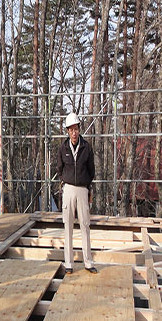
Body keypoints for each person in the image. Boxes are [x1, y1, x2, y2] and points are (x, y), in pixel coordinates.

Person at [56, 113, 96, 275]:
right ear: (67, 131)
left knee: (85, 225)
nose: (74, 132)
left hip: (82, 188)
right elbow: (59, 168)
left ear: (79, 130)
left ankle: (88, 262)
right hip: (69, 189)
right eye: (71, 129)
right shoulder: (63, 148)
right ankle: (69, 264)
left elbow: (91, 170)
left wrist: (86, 185)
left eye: (76, 129)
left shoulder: (86, 147)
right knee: (68, 226)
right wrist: (65, 181)